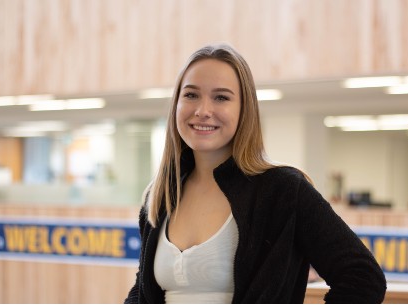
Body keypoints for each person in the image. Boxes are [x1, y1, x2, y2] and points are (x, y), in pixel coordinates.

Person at [124, 44, 387, 304]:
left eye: (221, 97)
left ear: (244, 109)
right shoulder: (161, 195)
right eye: (191, 95)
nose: (203, 110)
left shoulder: (283, 190)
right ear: (176, 104)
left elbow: (363, 278)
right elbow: (143, 291)